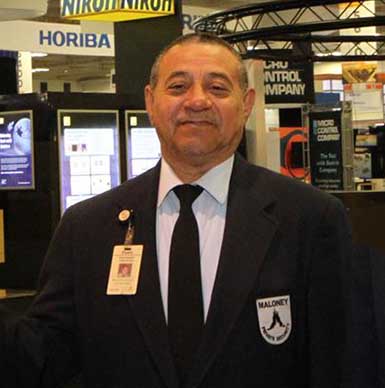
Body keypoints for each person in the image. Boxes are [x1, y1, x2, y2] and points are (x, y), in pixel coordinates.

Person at [0, 32, 353, 388]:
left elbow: (337, 363)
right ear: (151, 102)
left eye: (217, 88)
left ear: (246, 104)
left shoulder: (309, 218)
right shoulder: (87, 227)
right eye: (178, 86)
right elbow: (43, 358)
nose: (197, 101)